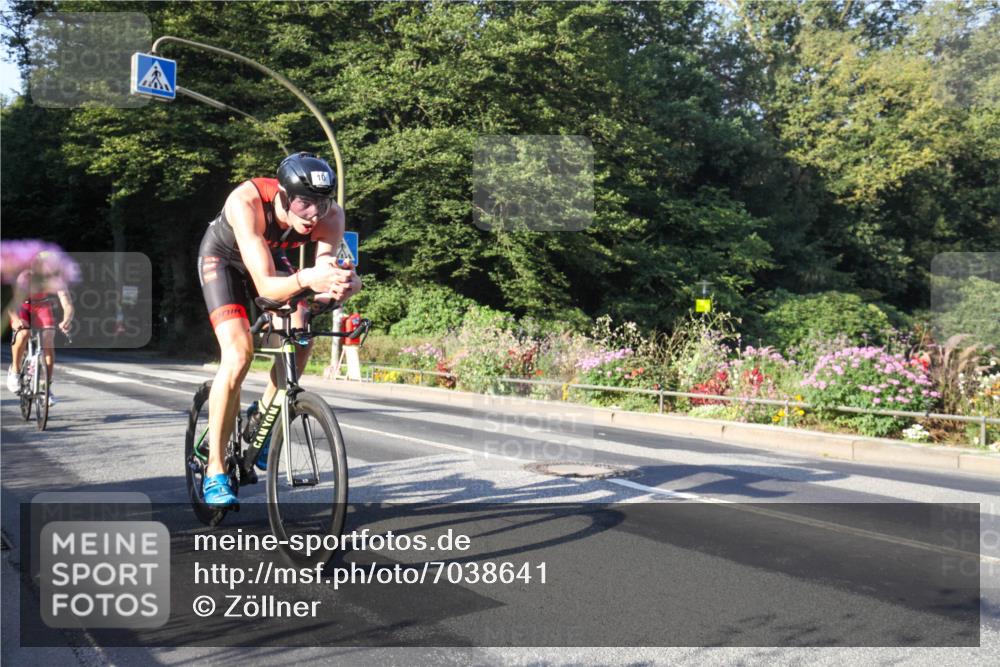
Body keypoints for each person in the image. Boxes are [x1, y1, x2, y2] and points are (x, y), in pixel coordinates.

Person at [197, 152, 361, 506]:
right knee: (239, 354)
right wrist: (308, 279)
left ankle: (264, 415)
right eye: (304, 204)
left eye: (321, 203)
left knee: (301, 333)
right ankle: (215, 470)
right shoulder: (247, 202)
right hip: (224, 260)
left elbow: (324, 272)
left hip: (268, 258)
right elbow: (268, 286)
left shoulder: (331, 216)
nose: (314, 214)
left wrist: (343, 285)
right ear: (284, 196)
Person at [6, 258, 75, 403]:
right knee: (23, 333)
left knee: (48, 338)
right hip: (22, 306)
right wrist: (16, 320)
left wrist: (66, 320)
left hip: (42, 306)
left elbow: (67, 303)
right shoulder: (24, 276)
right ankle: (15, 371)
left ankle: (45, 387)